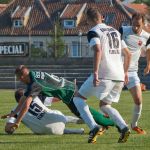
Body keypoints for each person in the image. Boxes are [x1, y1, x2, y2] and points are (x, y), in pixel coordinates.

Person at [73, 8, 131, 143]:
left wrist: (95, 72)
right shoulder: (116, 31)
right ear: (101, 18)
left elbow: (98, 50)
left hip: (105, 74)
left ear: (89, 19)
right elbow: (128, 54)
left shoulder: (94, 32)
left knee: (78, 99)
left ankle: (93, 127)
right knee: (105, 105)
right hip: (119, 76)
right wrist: (126, 72)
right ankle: (123, 127)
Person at [6, 65, 116, 137]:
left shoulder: (34, 84)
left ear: (22, 76)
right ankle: (104, 121)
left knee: (81, 112)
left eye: (18, 77)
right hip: (67, 88)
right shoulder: (33, 74)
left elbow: (26, 105)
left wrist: (17, 122)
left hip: (67, 91)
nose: (18, 80)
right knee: (82, 111)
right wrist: (13, 113)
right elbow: (23, 100)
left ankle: (112, 122)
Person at [1, 89, 84, 135]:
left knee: (51, 129)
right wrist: (65, 94)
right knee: (58, 118)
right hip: (59, 118)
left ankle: (78, 131)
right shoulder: (35, 97)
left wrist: (12, 128)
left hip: (45, 131)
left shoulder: (14, 111)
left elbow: (8, 129)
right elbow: (55, 99)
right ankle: (84, 120)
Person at [119, 12, 150, 134]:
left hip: (132, 72)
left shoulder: (147, 36)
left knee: (138, 100)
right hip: (117, 71)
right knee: (106, 102)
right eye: (134, 24)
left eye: (138, 24)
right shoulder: (122, 30)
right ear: (131, 22)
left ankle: (134, 125)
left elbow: (148, 50)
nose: (135, 27)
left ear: (143, 24)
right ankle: (104, 125)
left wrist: (148, 64)